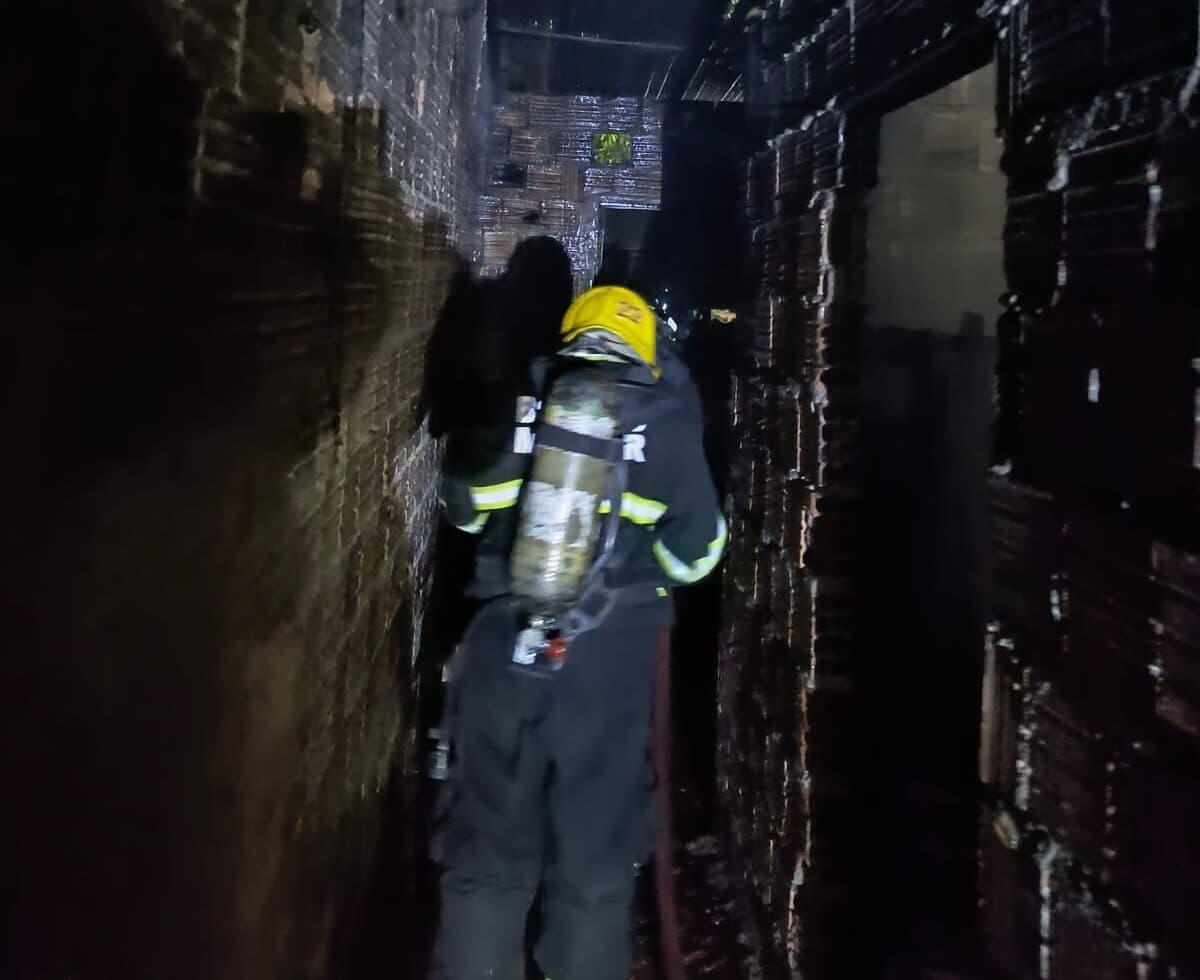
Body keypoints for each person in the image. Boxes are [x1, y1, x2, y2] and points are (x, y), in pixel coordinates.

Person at [430, 284, 727, 980]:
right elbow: (698, 552)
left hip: (506, 643)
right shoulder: (667, 417)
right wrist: (633, 577)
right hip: (611, 660)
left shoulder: (528, 400)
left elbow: (465, 506)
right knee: (594, 856)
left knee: (487, 847)